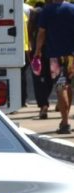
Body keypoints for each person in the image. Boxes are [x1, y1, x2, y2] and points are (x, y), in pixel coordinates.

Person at [34, 0, 74, 134]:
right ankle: (64, 120)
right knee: (68, 86)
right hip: (71, 56)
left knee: (61, 87)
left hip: (55, 56)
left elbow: (41, 33)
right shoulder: (72, 8)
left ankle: (65, 123)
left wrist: (37, 51)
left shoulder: (47, 10)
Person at [29, 2, 53, 119]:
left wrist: (33, 47)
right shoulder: (56, 11)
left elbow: (31, 30)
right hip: (54, 49)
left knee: (38, 77)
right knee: (51, 76)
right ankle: (45, 101)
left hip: (39, 48)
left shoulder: (36, 12)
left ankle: (43, 104)